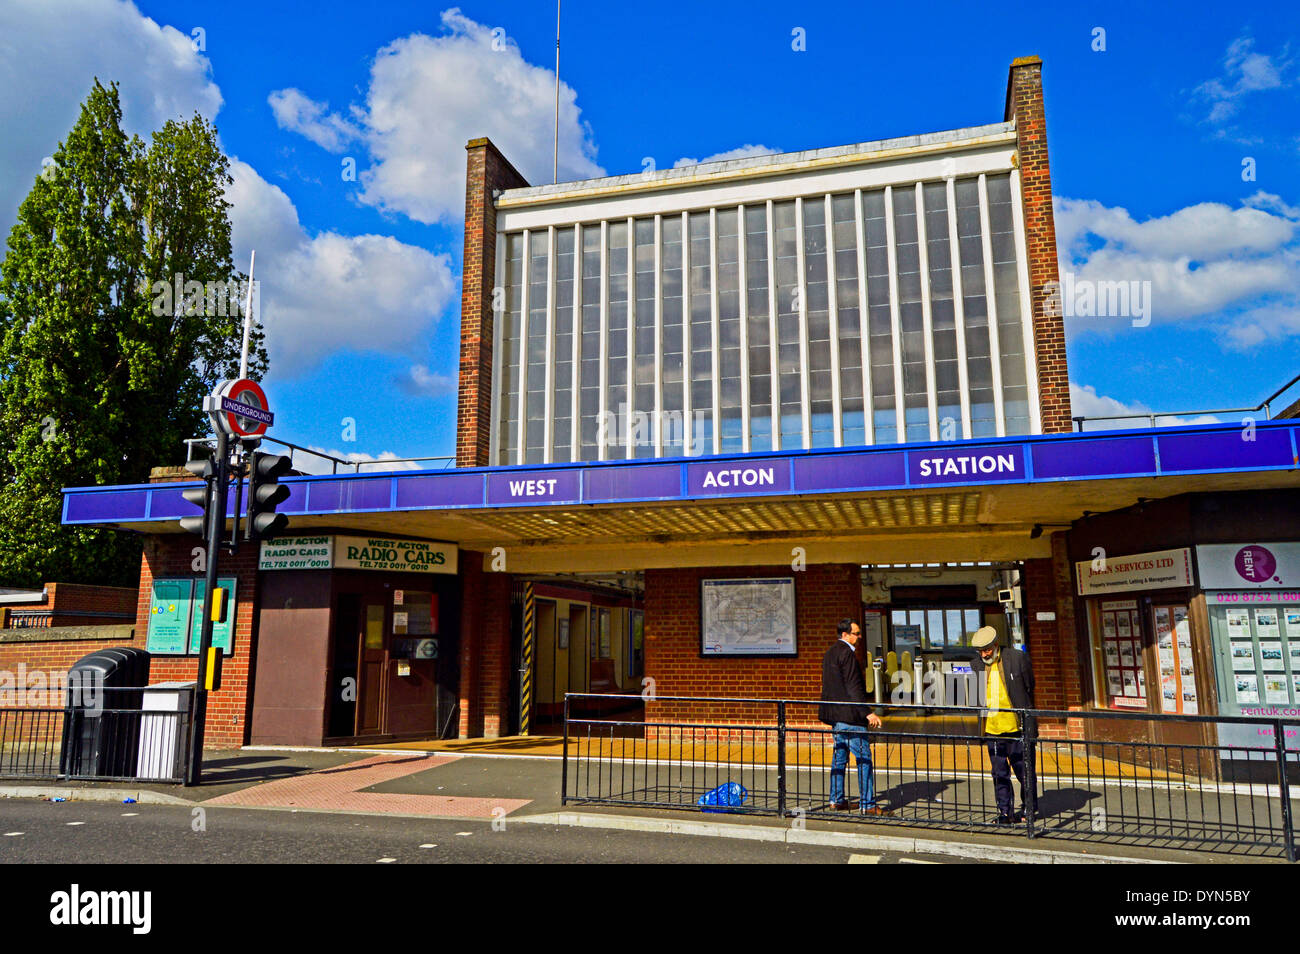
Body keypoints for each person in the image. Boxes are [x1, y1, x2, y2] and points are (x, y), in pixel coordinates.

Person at [819, 618, 888, 815]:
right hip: (851, 718)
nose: (859, 637)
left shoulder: (830, 653)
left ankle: (836, 800)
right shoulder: (847, 655)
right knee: (864, 758)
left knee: (839, 758)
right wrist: (868, 712)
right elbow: (853, 687)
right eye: (856, 633)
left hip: (836, 717)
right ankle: (868, 804)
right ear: (845, 635)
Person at [970, 625, 1035, 824]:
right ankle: (1005, 813)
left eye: (987, 649)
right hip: (992, 729)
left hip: (1017, 727)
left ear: (996, 645)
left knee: (1024, 772)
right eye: (980, 651)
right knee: (999, 774)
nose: (984, 654)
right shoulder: (976, 665)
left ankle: (1028, 810)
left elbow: (1029, 686)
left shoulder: (1016, 658)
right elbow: (976, 697)